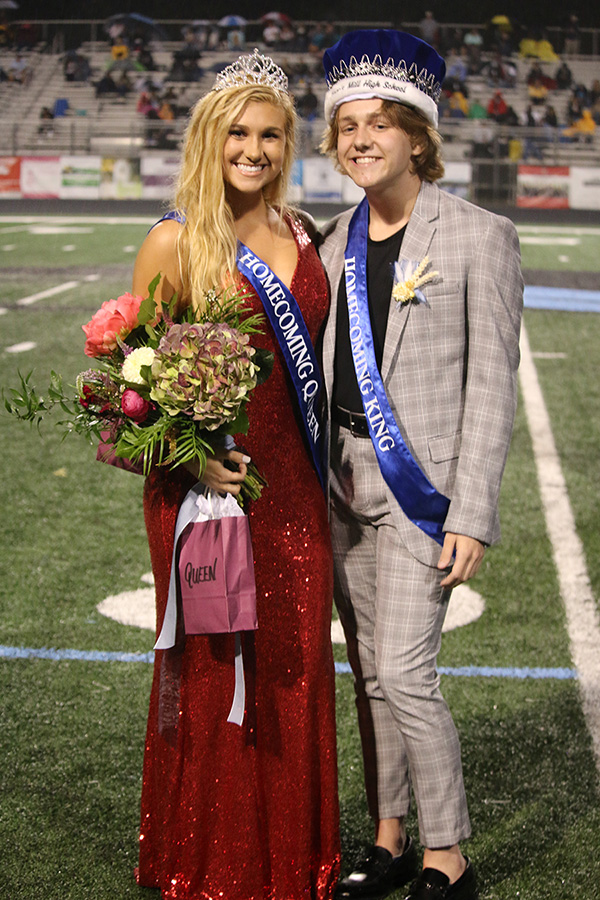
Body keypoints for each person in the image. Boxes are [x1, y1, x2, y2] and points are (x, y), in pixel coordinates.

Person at [318, 29, 523, 900]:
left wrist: (472, 509)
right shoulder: (328, 241)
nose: (360, 139)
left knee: (406, 672)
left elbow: (492, 384)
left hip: (423, 493)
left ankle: (448, 854)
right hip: (339, 490)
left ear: (418, 136)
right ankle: (389, 836)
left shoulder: (480, 235)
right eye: (346, 126)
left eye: (379, 124)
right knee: (369, 675)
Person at [131, 50, 340, 899]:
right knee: (220, 671)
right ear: (210, 141)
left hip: (298, 484)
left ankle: (292, 858)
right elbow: (130, 390)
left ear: (287, 145)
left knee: (294, 662)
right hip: (209, 493)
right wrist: (191, 458)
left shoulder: (302, 232)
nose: (254, 150)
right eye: (238, 135)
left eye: (270, 136)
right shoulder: (175, 240)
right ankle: (206, 860)